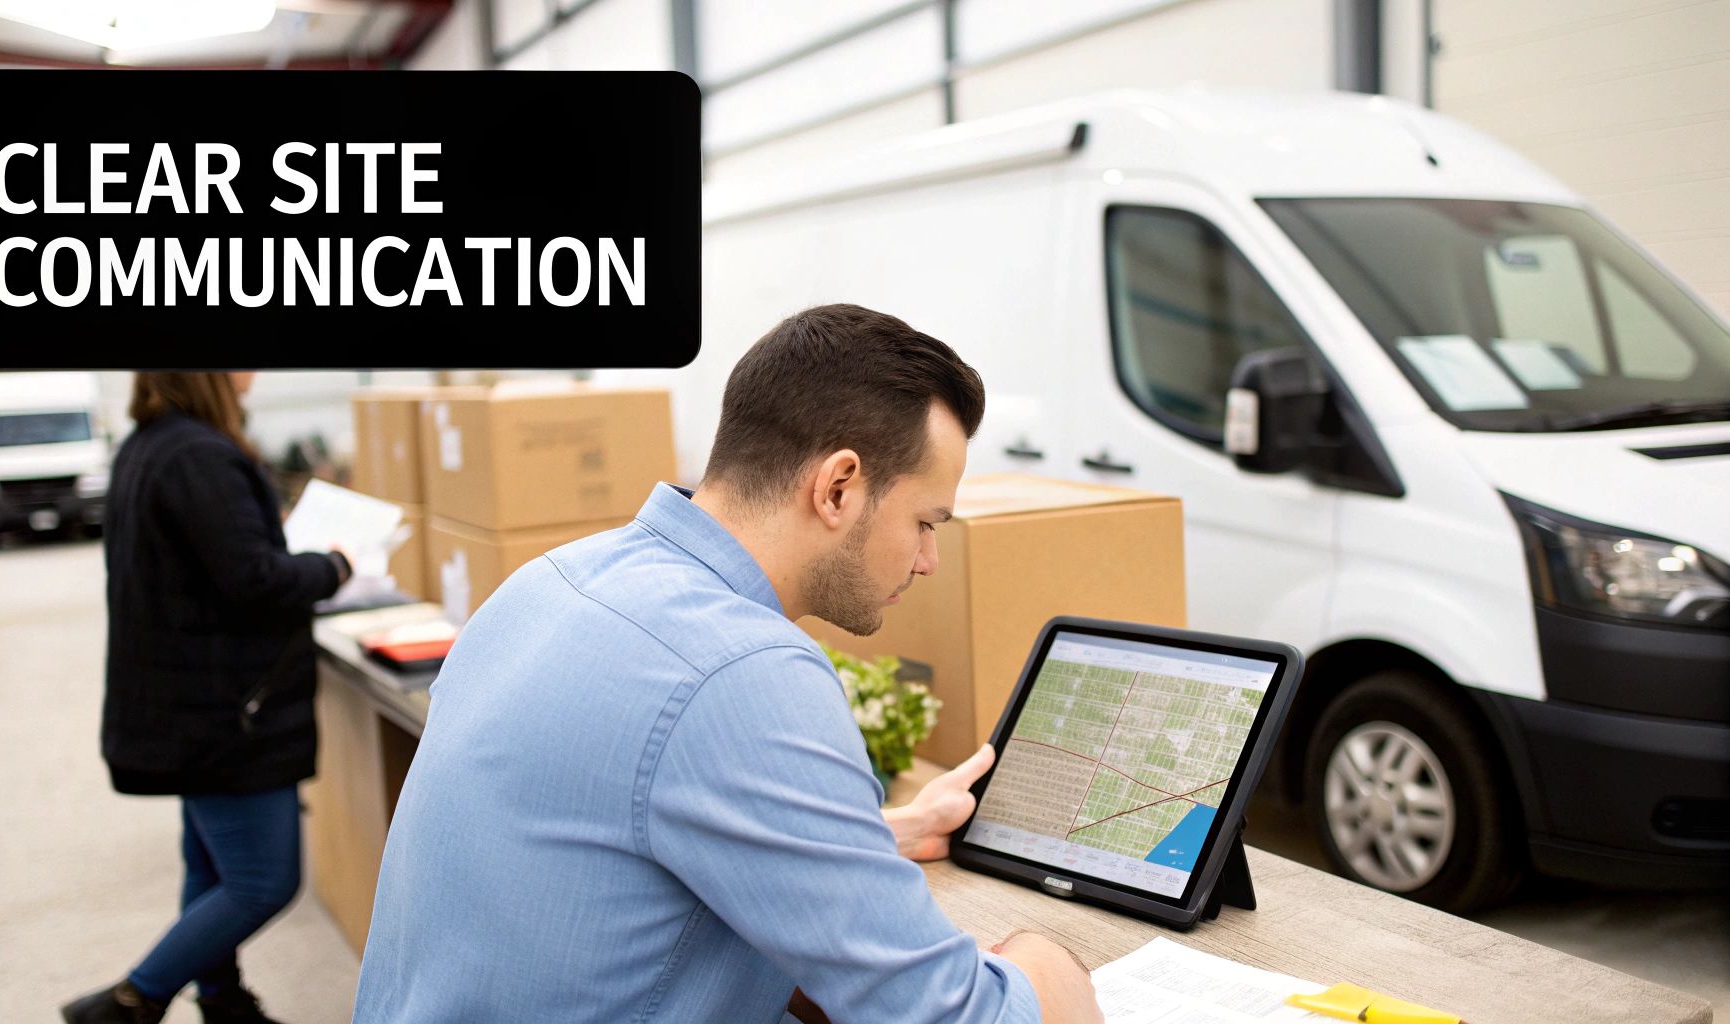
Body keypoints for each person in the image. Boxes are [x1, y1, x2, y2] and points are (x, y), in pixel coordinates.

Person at [354, 305, 1102, 1023]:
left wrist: (883, 832)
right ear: (838, 487)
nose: (930, 559)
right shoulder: (743, 671)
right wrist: (1049, 958)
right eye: (926, 522)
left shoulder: (553, 580)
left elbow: (632, 818)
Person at [64, 372, 353, 1024]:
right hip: (226, 715)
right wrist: (334, 565)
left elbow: (212, 557)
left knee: (212, 868)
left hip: (188, 707)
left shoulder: (153, 445)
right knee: (261, 882)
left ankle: (222, 999)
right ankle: (127, 1002)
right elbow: (252, 578)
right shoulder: (200, 455)